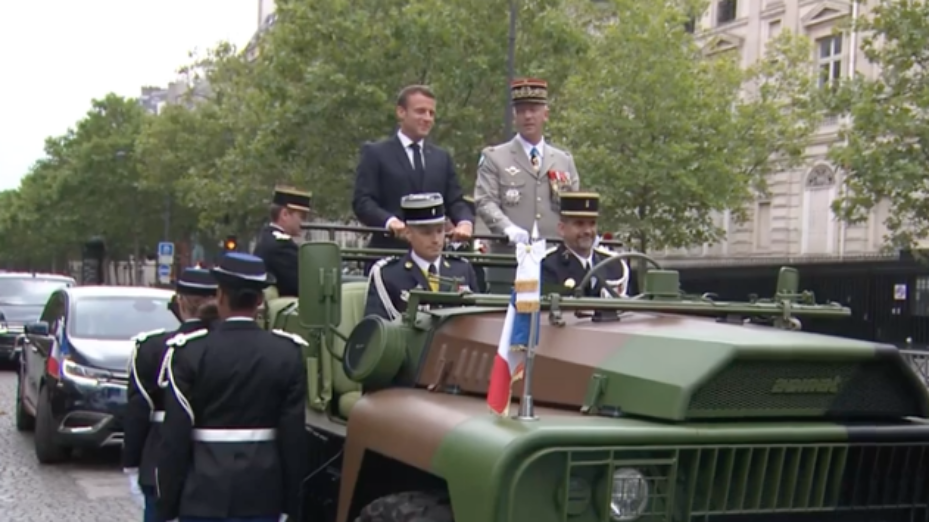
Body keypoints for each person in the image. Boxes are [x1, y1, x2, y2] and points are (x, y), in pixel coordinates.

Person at [156, 253, 308, 522]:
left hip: (201, 495)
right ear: (260, 300)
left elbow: (174, 440)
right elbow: (293, 440)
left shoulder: (190, 353)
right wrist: (290, 507)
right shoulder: (286, 354)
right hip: (262, 496)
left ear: (220, 295)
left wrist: (167, 507)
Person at [123, 267, 219, 522]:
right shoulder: (230, 349)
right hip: (220, 468)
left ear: (179, 302)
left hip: (159, 462)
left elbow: (138, 410)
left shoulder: (152, 348)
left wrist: (131, 465)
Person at [352, 85, 474, 260]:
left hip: (433, 257)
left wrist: (465, 222)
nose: (427, 118)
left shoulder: (442, 158)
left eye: (431, 113)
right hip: (389, 254)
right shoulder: (376, 153)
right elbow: (363, 201)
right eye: (421, 112)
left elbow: (455, 201)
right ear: (401, 112)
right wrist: (390, 222)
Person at [474, 78, 580, 249]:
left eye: (533, 110)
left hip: (554, 256)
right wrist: (506, 227)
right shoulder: (495, 157)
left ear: (545, 114)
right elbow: (485, 201)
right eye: (521, 111)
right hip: (509, 255)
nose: (528, 116)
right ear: (514, 116)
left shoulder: (563, 161)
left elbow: (575, 209)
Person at [365, 193, 480, 320]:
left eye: (440, 231)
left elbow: (477, 320)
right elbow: (375, 329)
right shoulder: (388, 275)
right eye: (427, 233)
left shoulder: (462, 269)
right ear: (408, 233)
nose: (436, 240)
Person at [541, 192, 630, 297]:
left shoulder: (615, 265)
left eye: (592, 223)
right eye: (579, 224)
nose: (587, 231)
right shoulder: (545, 265)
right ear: (562, 229)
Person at [252, 185, 312, 298]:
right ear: (285, 214)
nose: (303, 222)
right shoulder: (281, 247)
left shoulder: (269, 239)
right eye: (302, 216)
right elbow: (305, 286)